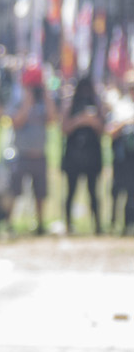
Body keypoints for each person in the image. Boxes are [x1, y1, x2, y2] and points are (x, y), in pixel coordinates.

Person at [8, 63, 56, 234]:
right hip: (21, 154)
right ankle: (10, 222)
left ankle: (40, 224)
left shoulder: (45, 100)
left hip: (39, 154)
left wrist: (47, 95)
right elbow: (17, 122)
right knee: (15, 191)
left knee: (41, 193)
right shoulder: (18, 99)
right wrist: (28, 101)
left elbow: (52, 120)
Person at [61, 74, 106, 234]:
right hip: (73, 156)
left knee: (94, 192)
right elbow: (64, 128)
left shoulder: (97, 103)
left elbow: (103, 129)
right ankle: (68, 225)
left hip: (92, 155)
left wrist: (92, 120)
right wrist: (79, 120)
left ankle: (98, 225)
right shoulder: (71, 104)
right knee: (70, 191)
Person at [108, 72, 134, 235]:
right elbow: (110, 130)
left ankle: (129, 223)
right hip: (122, 155)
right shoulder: (121, 105)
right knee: (118, 189)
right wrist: (126, 123)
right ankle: (113, 223)